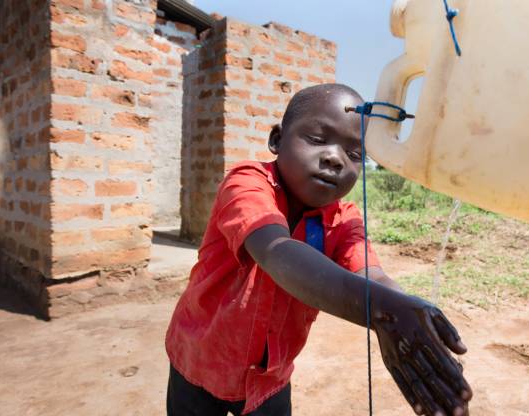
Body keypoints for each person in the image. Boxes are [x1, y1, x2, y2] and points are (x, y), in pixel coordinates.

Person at [165, 83, 472, 416]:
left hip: (269, 379)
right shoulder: (247, 183)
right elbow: (275, 251)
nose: (334, 158)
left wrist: (406, 313)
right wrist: (383, 311)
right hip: (198, 359)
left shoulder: (344, 219)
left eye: (355, 154)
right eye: (317, 139)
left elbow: (372, 274)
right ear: (277, 140)